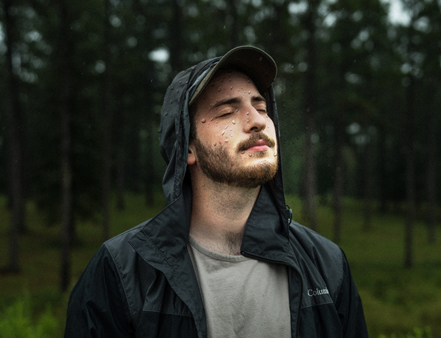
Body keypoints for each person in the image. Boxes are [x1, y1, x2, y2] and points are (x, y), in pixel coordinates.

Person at [64, 46, 369, 337]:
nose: (257, 122)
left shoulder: (327, 265)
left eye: (261, 107)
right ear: (187, 147)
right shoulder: (122, 270)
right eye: (227, 113)